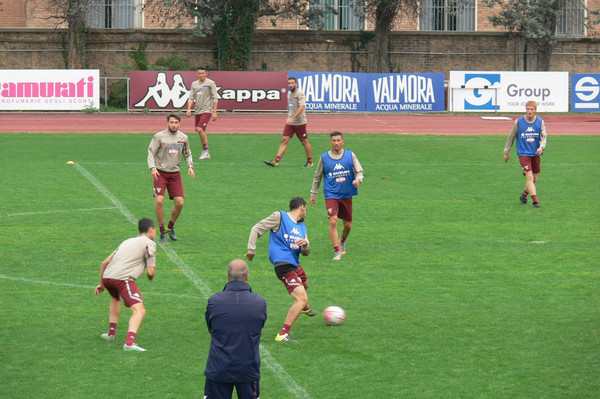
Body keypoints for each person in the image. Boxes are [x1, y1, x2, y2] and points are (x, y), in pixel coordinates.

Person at [245, 197, 316, 342]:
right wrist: (251, 250)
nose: (306, 214)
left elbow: (306, 253)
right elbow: (256, 228)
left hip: (295, 264)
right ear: (302, 207)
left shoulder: (303, 228)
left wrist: (305, 245)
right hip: (283, 266)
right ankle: (282, 334)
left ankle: (303, 307)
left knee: (306, 284)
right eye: (306, 210)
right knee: (301, 298)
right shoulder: (280, 217)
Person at [204, 259, 267, 399]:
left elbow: (211, 327)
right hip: (248, 369)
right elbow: (259, 326)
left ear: (228, 276)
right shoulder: (260, 302)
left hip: (219, 367)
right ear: (247, 277)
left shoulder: (214, 301)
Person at [94, 218, 157, 352]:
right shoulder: (149, 243)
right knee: (139, 310)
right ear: (151, 229)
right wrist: (150, 276)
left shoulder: (127, 241)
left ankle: (111, 334)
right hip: (123, 279)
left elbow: (104, 262)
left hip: (107, 277)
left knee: (115, 298)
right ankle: (129, 343)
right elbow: (151, 271)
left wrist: (101, 284)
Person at [310, 131, 364, 261]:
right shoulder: (324, 157)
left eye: (338, 140)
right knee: (333, 220)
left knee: (348, 225)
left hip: (346, 195)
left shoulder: (350, 155)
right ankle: (336, 251)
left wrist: (358, 180)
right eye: (333, 140)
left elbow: (359, 171)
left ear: (342, 142)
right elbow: (318, 176)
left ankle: (342, 241)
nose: (336, 143)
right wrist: (313, 193)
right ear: (330, 142)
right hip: (331, 194)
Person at [147, 113, 195, 242]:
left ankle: (170, 227)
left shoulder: (183, 138)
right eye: (171, 122)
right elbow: (151, 152)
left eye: (176, 123)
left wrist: (190, 166)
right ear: (167, 123)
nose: (174, 125)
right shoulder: (159, 136)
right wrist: (153, 168)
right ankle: (162, 230)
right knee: (159, 201)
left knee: (180, 203)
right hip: (160, 173)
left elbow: (187, 153)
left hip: (175, 174)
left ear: (179, 124)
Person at [504, 100, 547, 208]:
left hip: (535, 154)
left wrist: (541, 148)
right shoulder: (519, 122)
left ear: (535, 110)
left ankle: (524, 195)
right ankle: (535, 201)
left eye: (532, 109)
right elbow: (511, 137)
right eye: (528, 109)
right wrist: (506, 151)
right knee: (529, 176)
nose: (529, 111)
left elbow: (543, 138)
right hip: (523, 153)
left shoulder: (540, 122)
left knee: (535, 179)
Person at [264, 77, 313, 168]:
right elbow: (292, 108)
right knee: (284, 140)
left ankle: (310, 162)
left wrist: (293, 118)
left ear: (296, 84)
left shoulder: (300, 94)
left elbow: (301, 107)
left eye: (292, 83)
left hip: (300, 122)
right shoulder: (289, 94)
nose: (290, 85)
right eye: (289, 83)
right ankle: (276, 161)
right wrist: (289, 118)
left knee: (304, 141)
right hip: (290, 122)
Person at [186, 67, 219, 160]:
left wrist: (214, 112)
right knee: (198, 129)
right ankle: (206, 151)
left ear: (206, 74)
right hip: (198, 110)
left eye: (202, 73)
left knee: (200, 129)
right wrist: (189, 109)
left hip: (207, 110)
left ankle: (205, 150)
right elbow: (191, 97)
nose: (201, 75)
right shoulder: (194, 84)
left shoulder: (210, 83)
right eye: (199, 73)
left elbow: (215, 97)